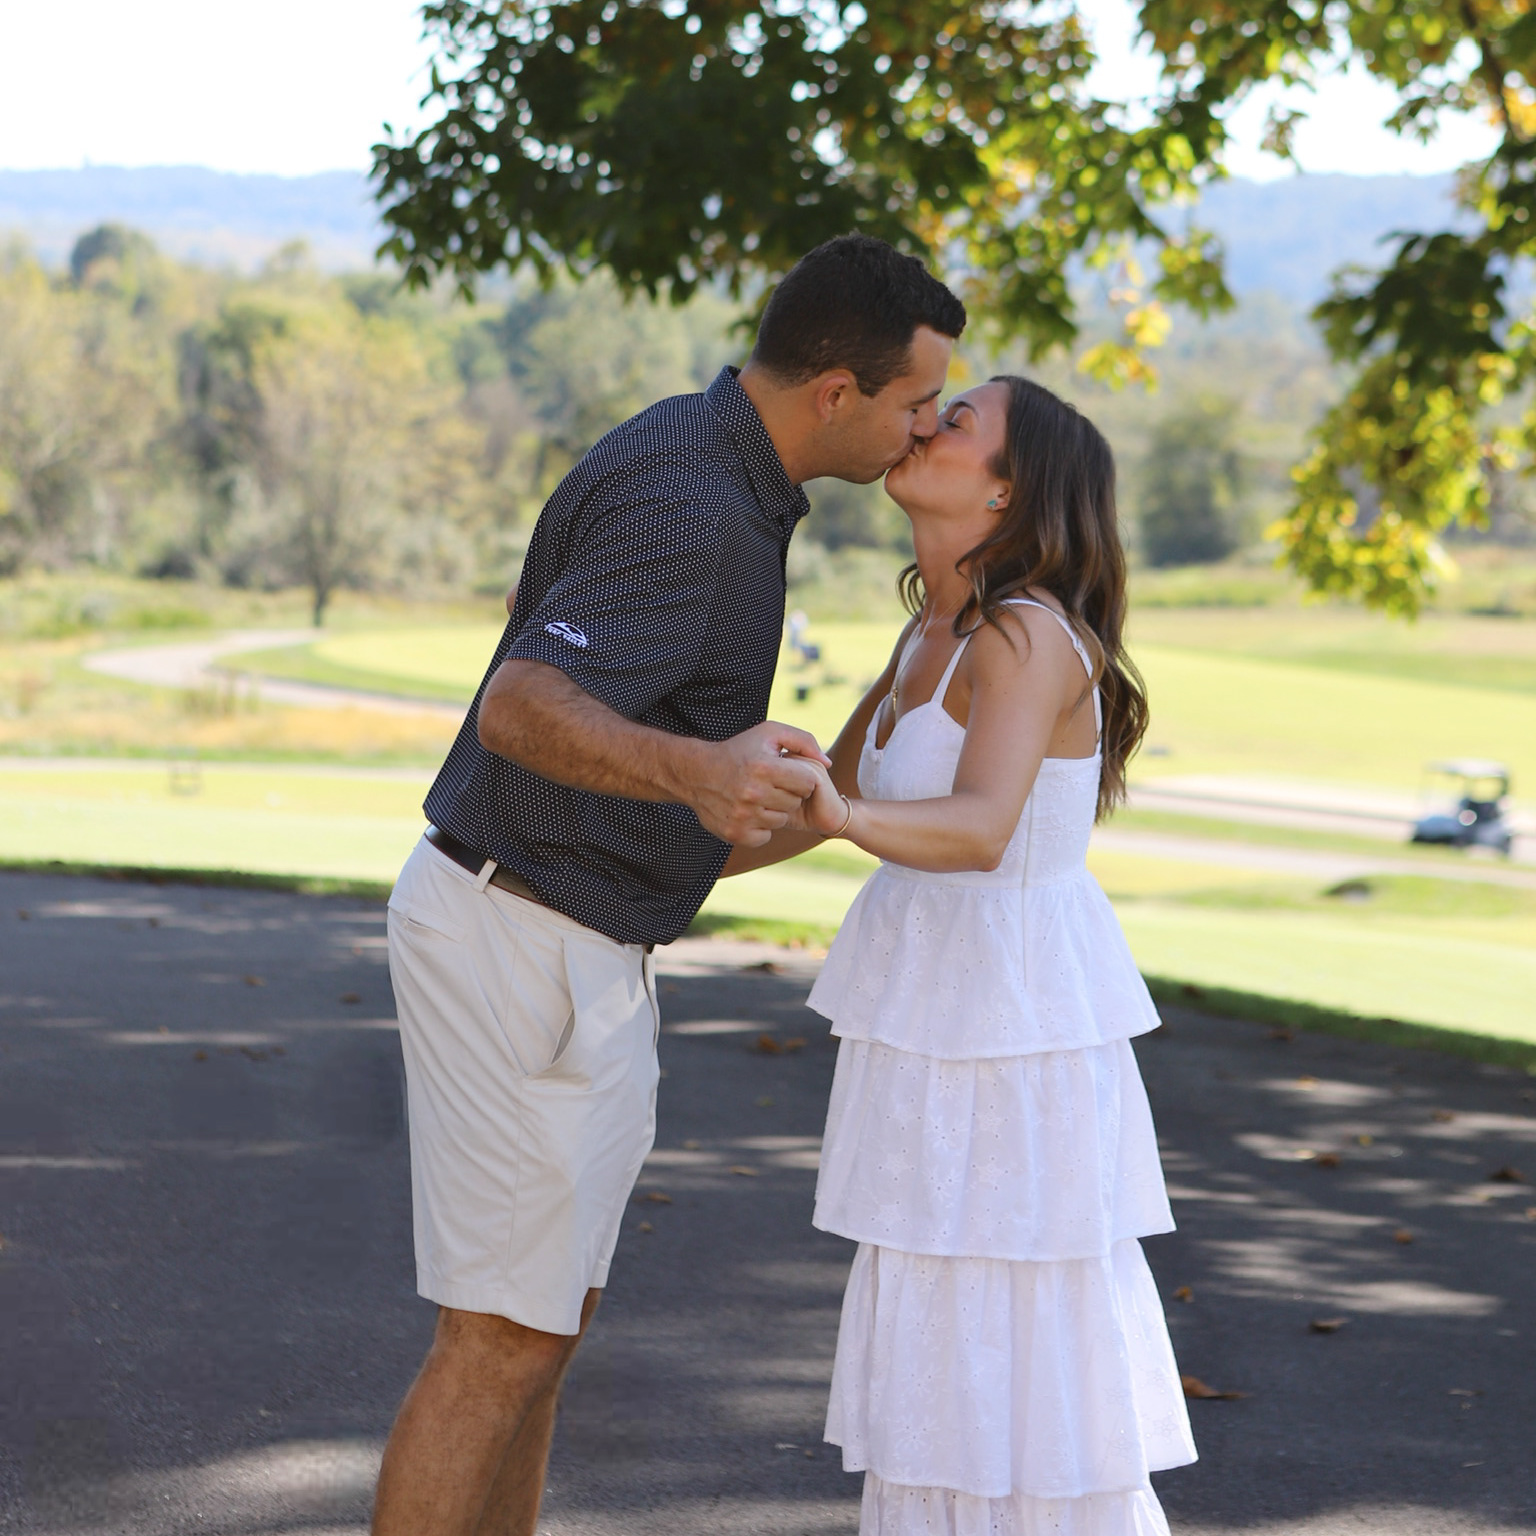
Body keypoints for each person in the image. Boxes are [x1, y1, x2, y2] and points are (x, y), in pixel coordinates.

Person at [372, 235, 967, 1536]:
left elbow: (678, 778)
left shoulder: (709, 461)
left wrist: (842, 771)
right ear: (837, 392)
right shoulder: (695, 508)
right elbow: (519, 704)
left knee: (541, 1330)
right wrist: (699, 770)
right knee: (498, 1343)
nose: (927, 426)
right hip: (521, 935)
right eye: (919, 401)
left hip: (569, 940)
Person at [724, 375, 1197, 1532]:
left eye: (960, 420)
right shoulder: (924, 633)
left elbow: (982, 828)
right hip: (928, 1010)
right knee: (931, 1293)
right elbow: (809, 809)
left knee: (1014, 1302)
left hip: (1017, 1016)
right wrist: (638, 875)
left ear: (1006, 492)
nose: (927, 424)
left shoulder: (1028, 635)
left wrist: (841, 815)